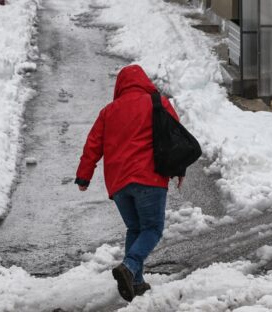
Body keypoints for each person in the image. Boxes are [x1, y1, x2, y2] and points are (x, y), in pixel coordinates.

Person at [75, 64, 184, 302]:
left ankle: (135, 281)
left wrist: (84, 176)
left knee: (135, 229)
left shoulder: (108, 111)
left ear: (120, 86)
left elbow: (92, 144)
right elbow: (175, 137)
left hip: (119, 184)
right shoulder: (158, 103)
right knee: (153, 229)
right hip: (150, 178)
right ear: (144, 81)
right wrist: (179, 169)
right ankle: (129, 266)